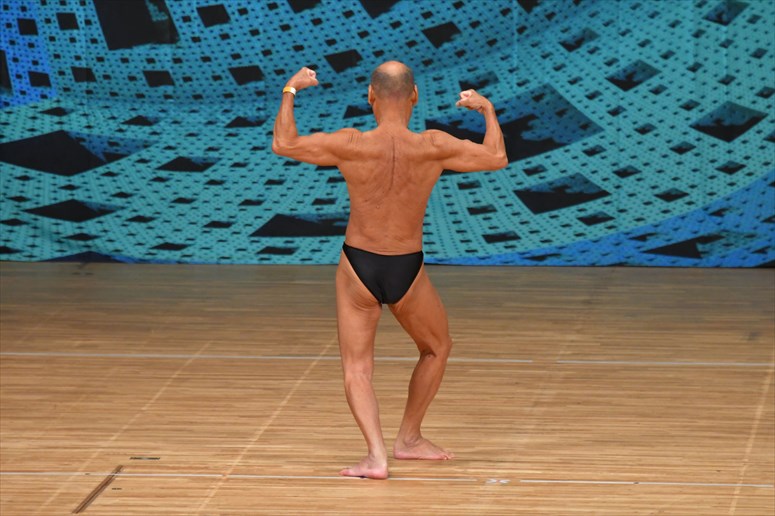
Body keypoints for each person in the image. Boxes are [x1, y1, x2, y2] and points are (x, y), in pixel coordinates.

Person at [272, 61, 506, 479]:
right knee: (437, 347)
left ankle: (376, 457)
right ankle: (409, 439)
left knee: (357, 368)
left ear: (370, 96)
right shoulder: (433, 145)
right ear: (414, 96)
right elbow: (496, 157)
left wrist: (291, 90)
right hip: (407, 268)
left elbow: (284, 144)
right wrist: (486, 110)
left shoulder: (351, 143)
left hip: (358, 265)